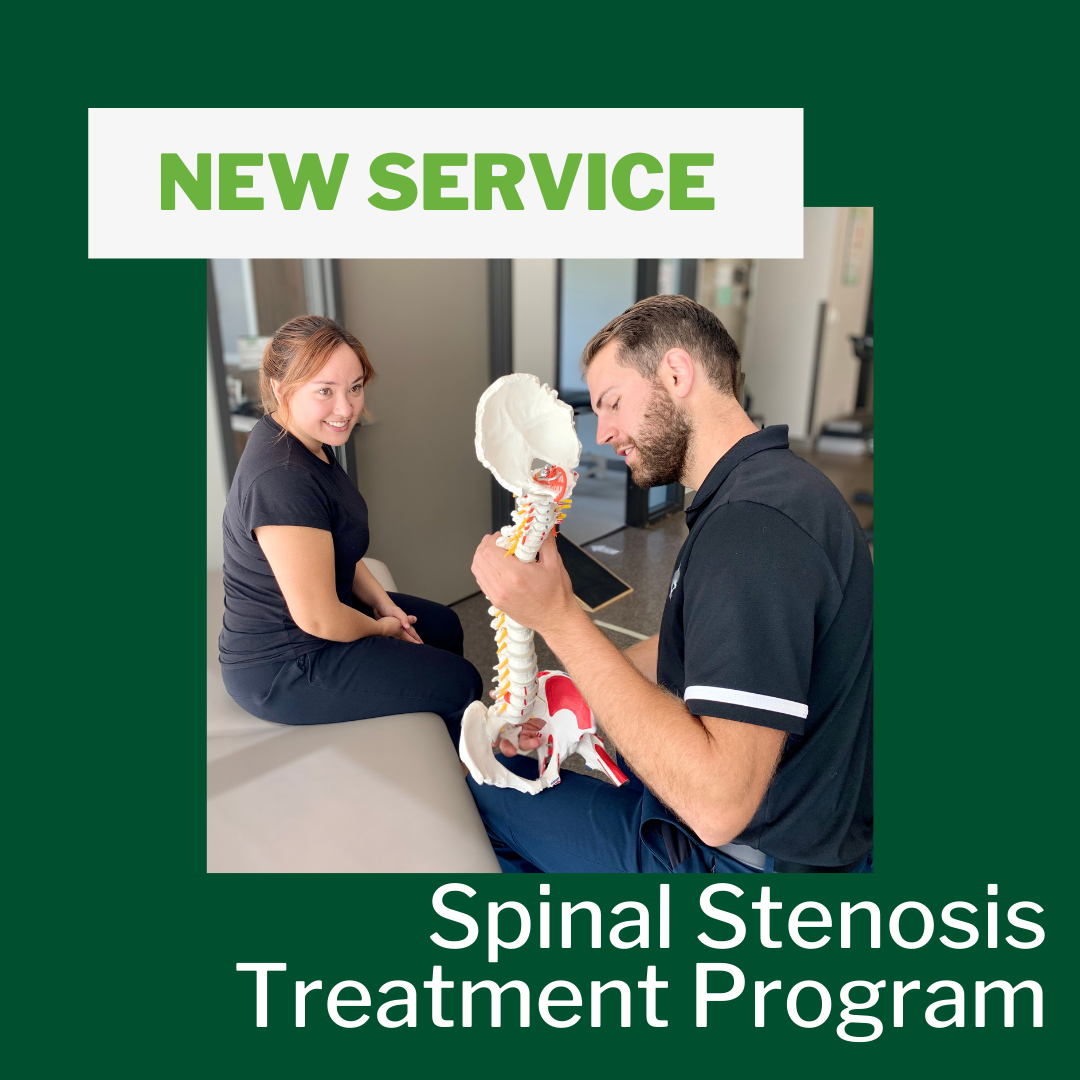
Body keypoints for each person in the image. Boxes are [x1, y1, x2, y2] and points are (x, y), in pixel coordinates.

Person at [469, 295, 873, 873]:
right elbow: (708, 650)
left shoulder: (750, 531)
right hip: (811, 820)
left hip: (748, 860)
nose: (603, 433)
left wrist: (559, 619)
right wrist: (580, 692)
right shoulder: (778, 487)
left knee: (480, 799)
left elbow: (717, 808)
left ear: (677, 374)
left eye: (612, 403)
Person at [218, 315, 482, 734]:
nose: (346, 409)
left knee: (443, 627)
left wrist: (383, 603)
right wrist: (380, 629)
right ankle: (462, 765)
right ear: (280, 389)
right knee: (461, 682)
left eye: (355, 388)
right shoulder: (282, 477)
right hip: (285, 664)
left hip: (319, 618)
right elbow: (318, 619)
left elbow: (335, 545)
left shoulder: (307, 441)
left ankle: (451, 739)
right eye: (325, 390)